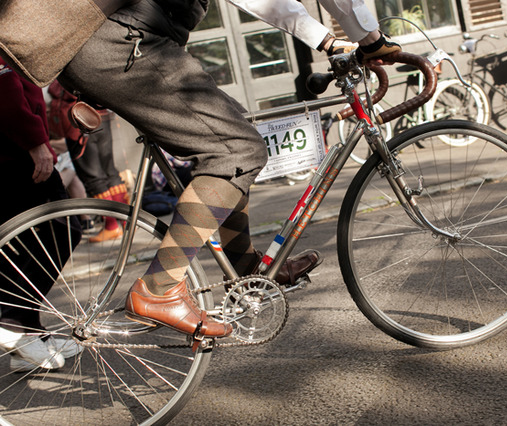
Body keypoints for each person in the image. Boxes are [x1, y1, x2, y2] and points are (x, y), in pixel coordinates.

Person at [57, 0, 401, 341]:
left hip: (121, 42)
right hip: (124, 44)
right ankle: (158, 288)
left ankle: (245, 265)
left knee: (236, 131)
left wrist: (361, 35)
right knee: (238, 150)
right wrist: (341, 40)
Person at [0, 59, 83, 372]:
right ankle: (13, 325)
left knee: (22, 246)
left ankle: (27, 336)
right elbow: (4, 87)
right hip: (14, 151)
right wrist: (35, 142)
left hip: (13, 147)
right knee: (62, 228)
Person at [48, 81, 130, 243]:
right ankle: (126, 222)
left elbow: (55, 89)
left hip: (80, 120)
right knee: (110, 172)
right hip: (100, 114)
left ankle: (112, 226)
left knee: (94, 177)